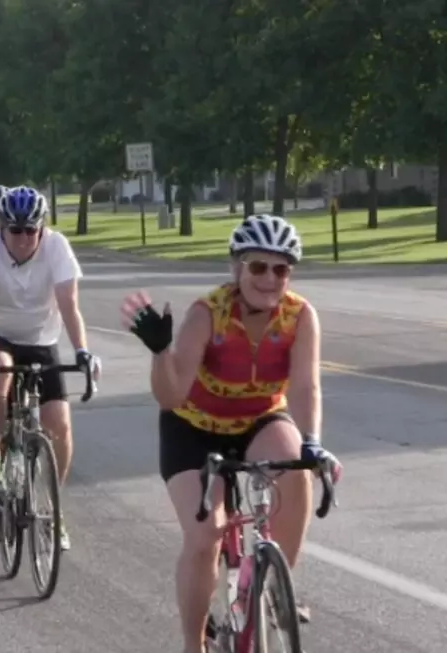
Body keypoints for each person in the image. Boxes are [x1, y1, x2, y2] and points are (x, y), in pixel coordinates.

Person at [119, 214, 343, 653]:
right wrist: (161, 352)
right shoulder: (208, 312)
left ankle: (279, 587)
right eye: (258, 266)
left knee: (297, 466)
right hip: (194, 426)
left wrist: (313, 441)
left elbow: (304, 386)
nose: (269, 278)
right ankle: (192, 643)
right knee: (206, 536)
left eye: (281, 269)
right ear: (236, 268)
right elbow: (171, 395)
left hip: (259, 418)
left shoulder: (299, 315)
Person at [0, 185, 101, 552]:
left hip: (41, 335)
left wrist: (83, 351)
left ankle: (53, 508)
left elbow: (69, 305)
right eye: (15, 231)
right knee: (1, 371)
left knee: (59, 422)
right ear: (1, 228)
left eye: (31, 230)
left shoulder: (57, 247)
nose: (23, 239)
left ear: (42, 228)